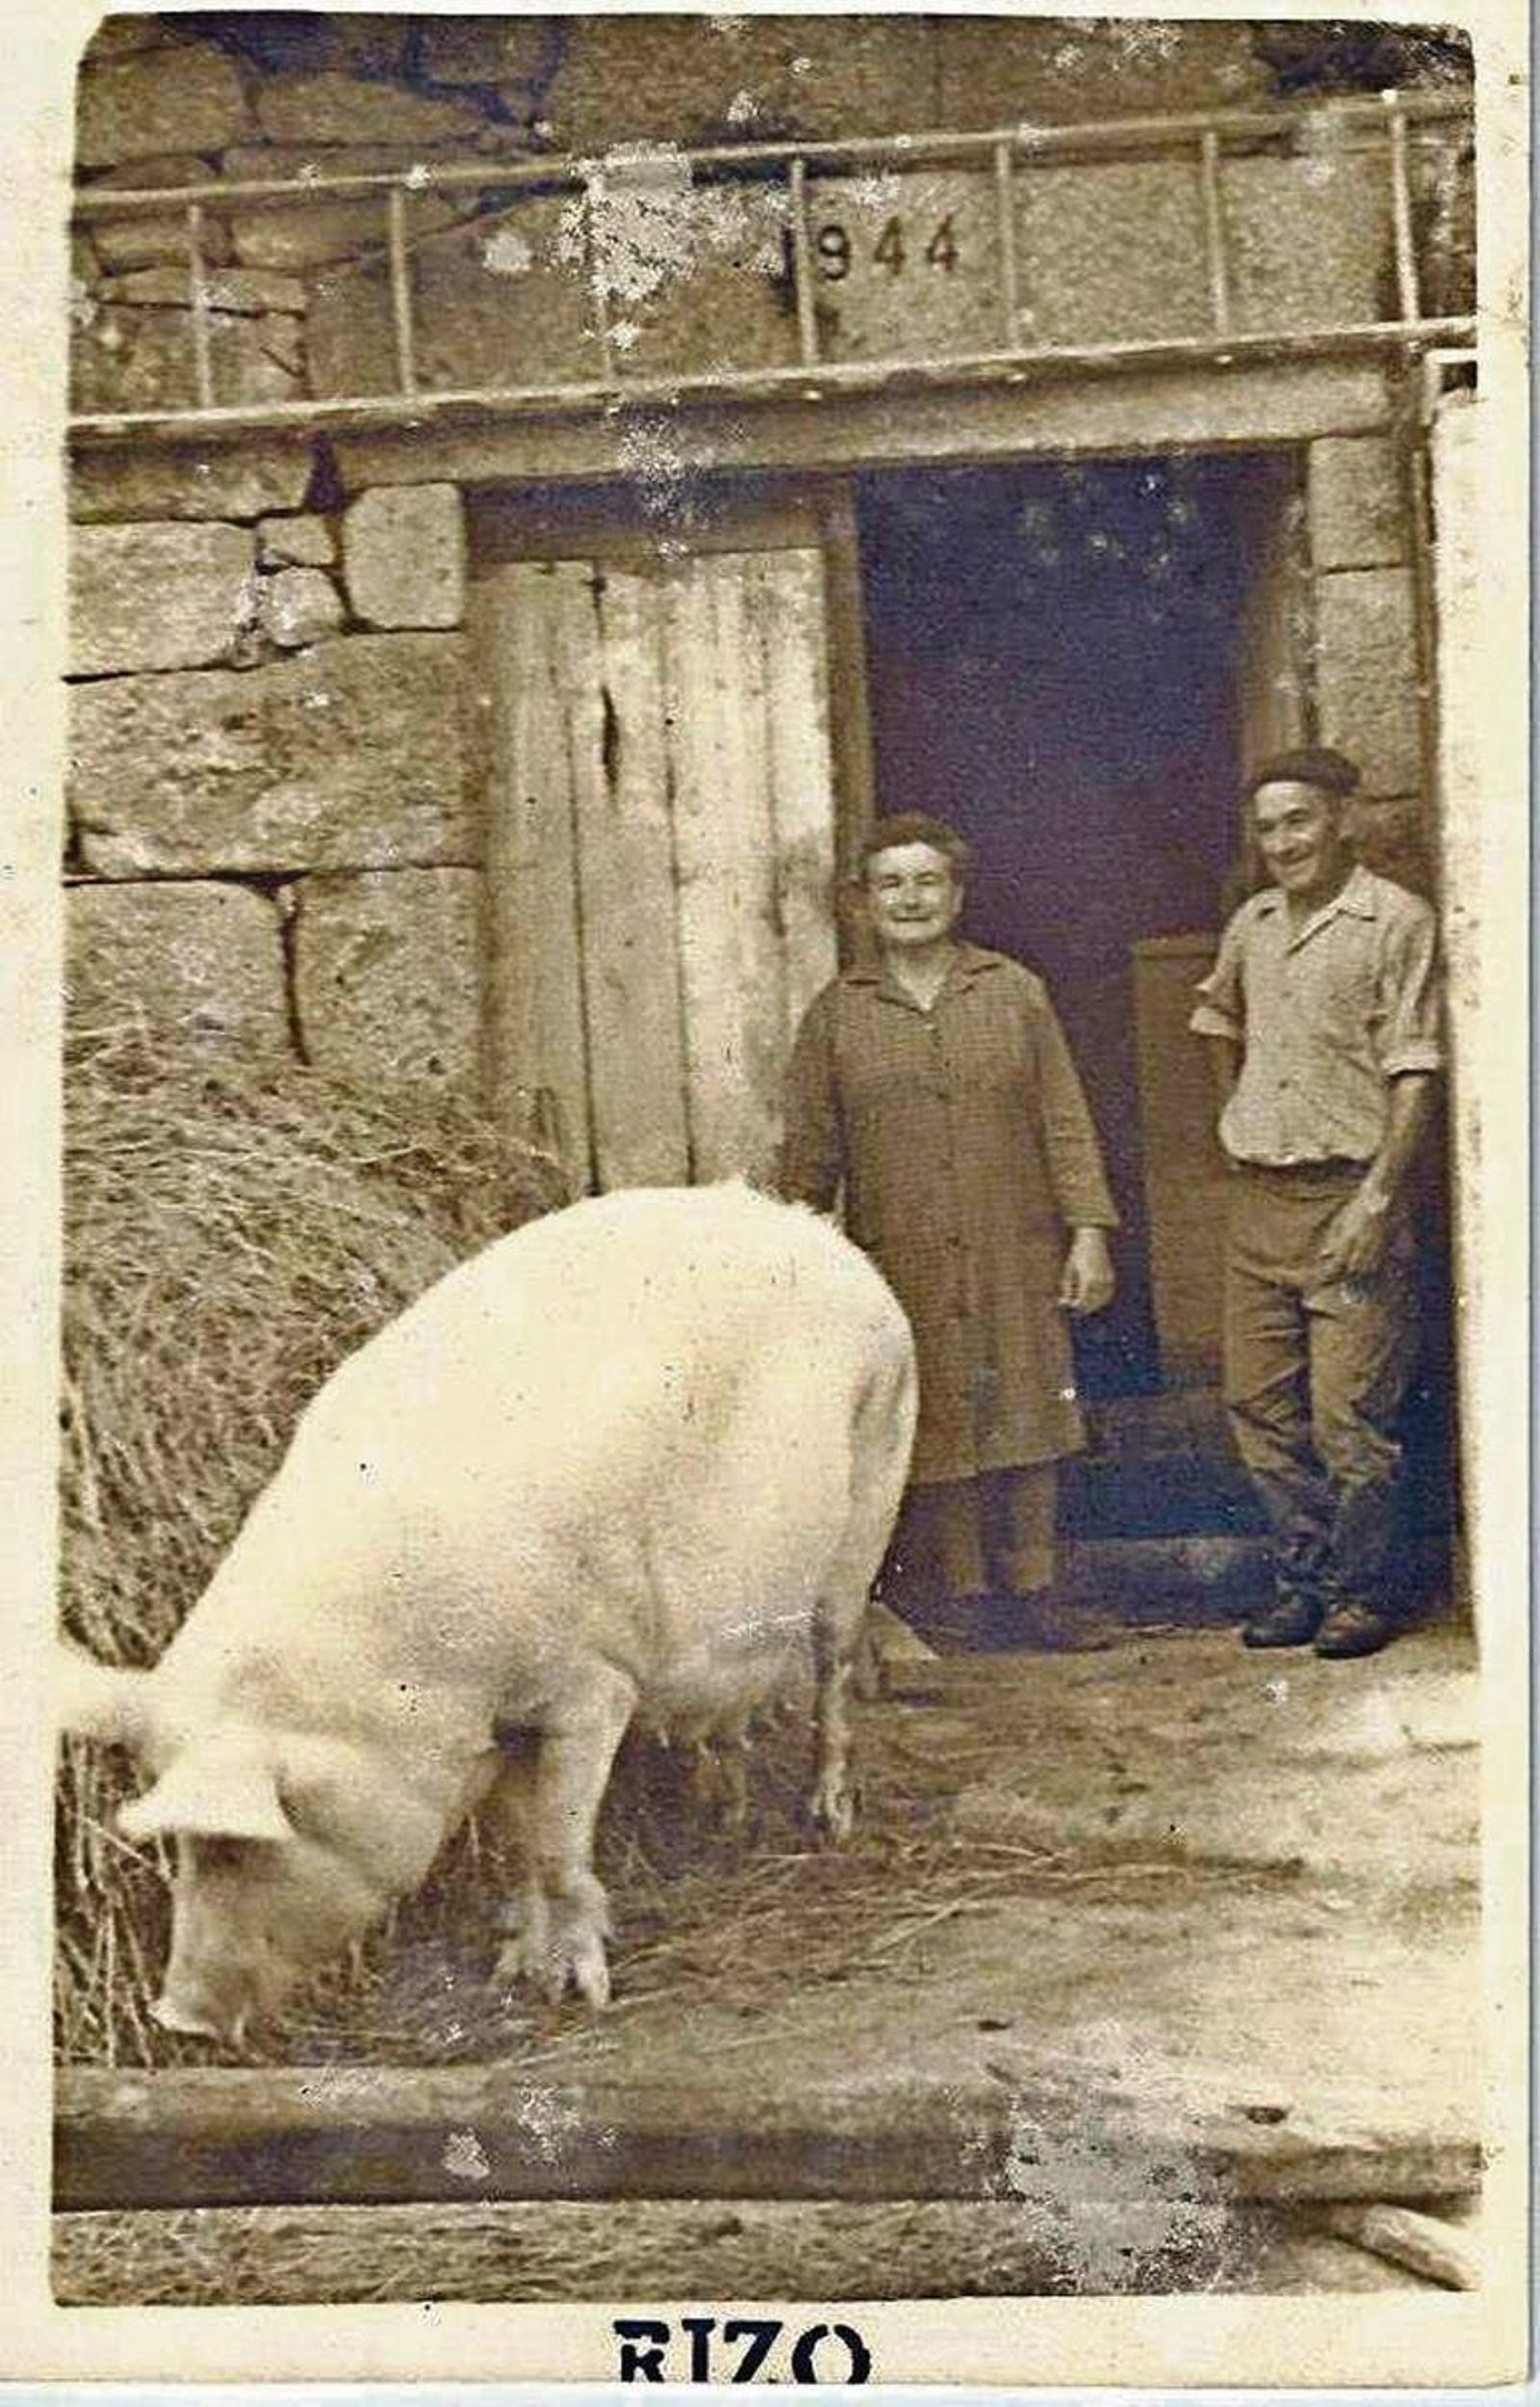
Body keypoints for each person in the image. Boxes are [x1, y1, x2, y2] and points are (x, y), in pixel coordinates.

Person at [777, 812, 1117, 1643]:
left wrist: (1089, 1230)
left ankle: (1035, 1591)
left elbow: (1064, 1120)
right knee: (930, 1416)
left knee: (1031, 1403)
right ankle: (961, 1599)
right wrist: (801, 1259)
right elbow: (812, 1154)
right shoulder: (837, 1015)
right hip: (904, 1248)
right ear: (863, 902)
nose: (911, 898)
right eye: (891, 883)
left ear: (958, 893)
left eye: (928, 881)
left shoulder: (1012, 991)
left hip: (1014, 1241)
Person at [1191, 747, 1443, 1660]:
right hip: (1260, 1202)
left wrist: (1378, 1199)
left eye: (1299, 821)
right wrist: (1234, 1113)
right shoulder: (1252, 925)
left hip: (1349, 1195)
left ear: (1344, 819)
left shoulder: (1394, 922)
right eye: (1267, 828)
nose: (1282, 842)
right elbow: (1217, 1019)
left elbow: (1414, 1069)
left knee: (1348, 1418)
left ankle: (1362, 1594)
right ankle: (1302, 1580)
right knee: (1258, 1407)